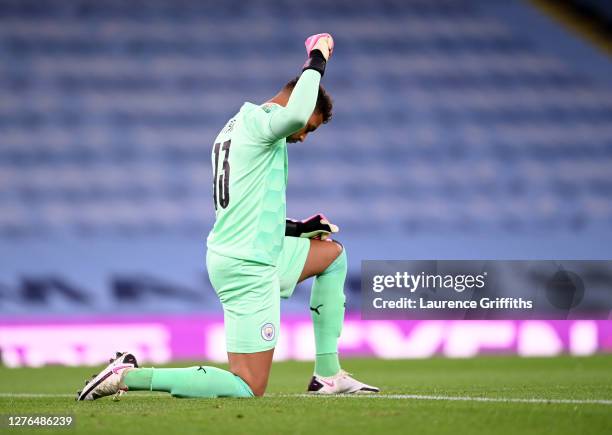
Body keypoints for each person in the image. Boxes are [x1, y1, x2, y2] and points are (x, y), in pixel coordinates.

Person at [77, 33, 379, 401]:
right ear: (297, 96)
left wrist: (297, 229)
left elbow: (240, 205)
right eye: (310, 129)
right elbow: (298, 112)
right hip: (249, 265)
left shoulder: (236, 127)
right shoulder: (264, 123)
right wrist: (318, 55)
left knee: (332, 255)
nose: (303, 136)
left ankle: (328, 375)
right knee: (248, 385)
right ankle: (128, 375)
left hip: (249, 250)